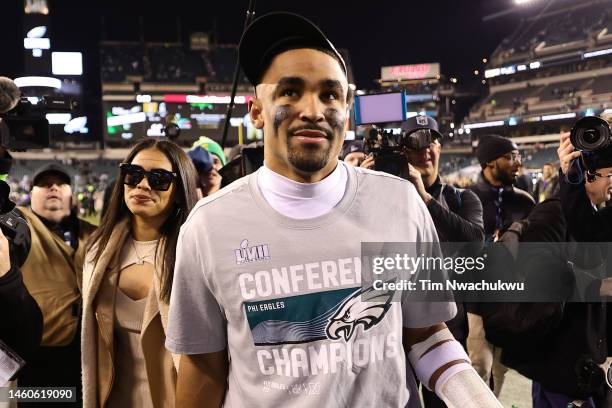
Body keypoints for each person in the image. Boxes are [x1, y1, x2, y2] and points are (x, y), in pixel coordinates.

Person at [166, 12, 501, 408]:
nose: (313, 110)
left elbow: (426, 335)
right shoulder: (208, 226)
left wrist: (478, 401)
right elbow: (203, 366)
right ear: (256, 110)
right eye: (290, 91)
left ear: (347, 106)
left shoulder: (401, 203)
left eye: (329, 94)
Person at [81, 139, 199, 408]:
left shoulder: (195, 253)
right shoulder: (97, 252)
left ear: (180, 190)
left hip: (176, 399)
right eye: (133, 175)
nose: (142, 186)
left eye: (159, 179)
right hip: (112, 399)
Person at [401, 116, 485, 408]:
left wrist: (424, 198)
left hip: (447, 324)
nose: (426, 149)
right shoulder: (384, 197)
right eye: (416, 142)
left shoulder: (462, 197)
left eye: (433, 141)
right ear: (402, 152)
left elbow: (474, 242)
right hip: (396, 326)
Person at [15, 163, 97, 405]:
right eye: (44, 183)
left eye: (61, 183)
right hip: (38, 355)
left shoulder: (93, 232)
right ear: (31, 194)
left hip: (88, 354)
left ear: (72, 194)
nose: (53, 187)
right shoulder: (20, 225)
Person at [467, 135, 535, 396]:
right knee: (478, 365)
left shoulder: (525, 201)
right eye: (510, 157)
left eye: (518, 157)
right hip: (476, 299)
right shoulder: (466, 199)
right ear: (489, 162)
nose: (517, 163)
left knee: (501, 368)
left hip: (511, 298)